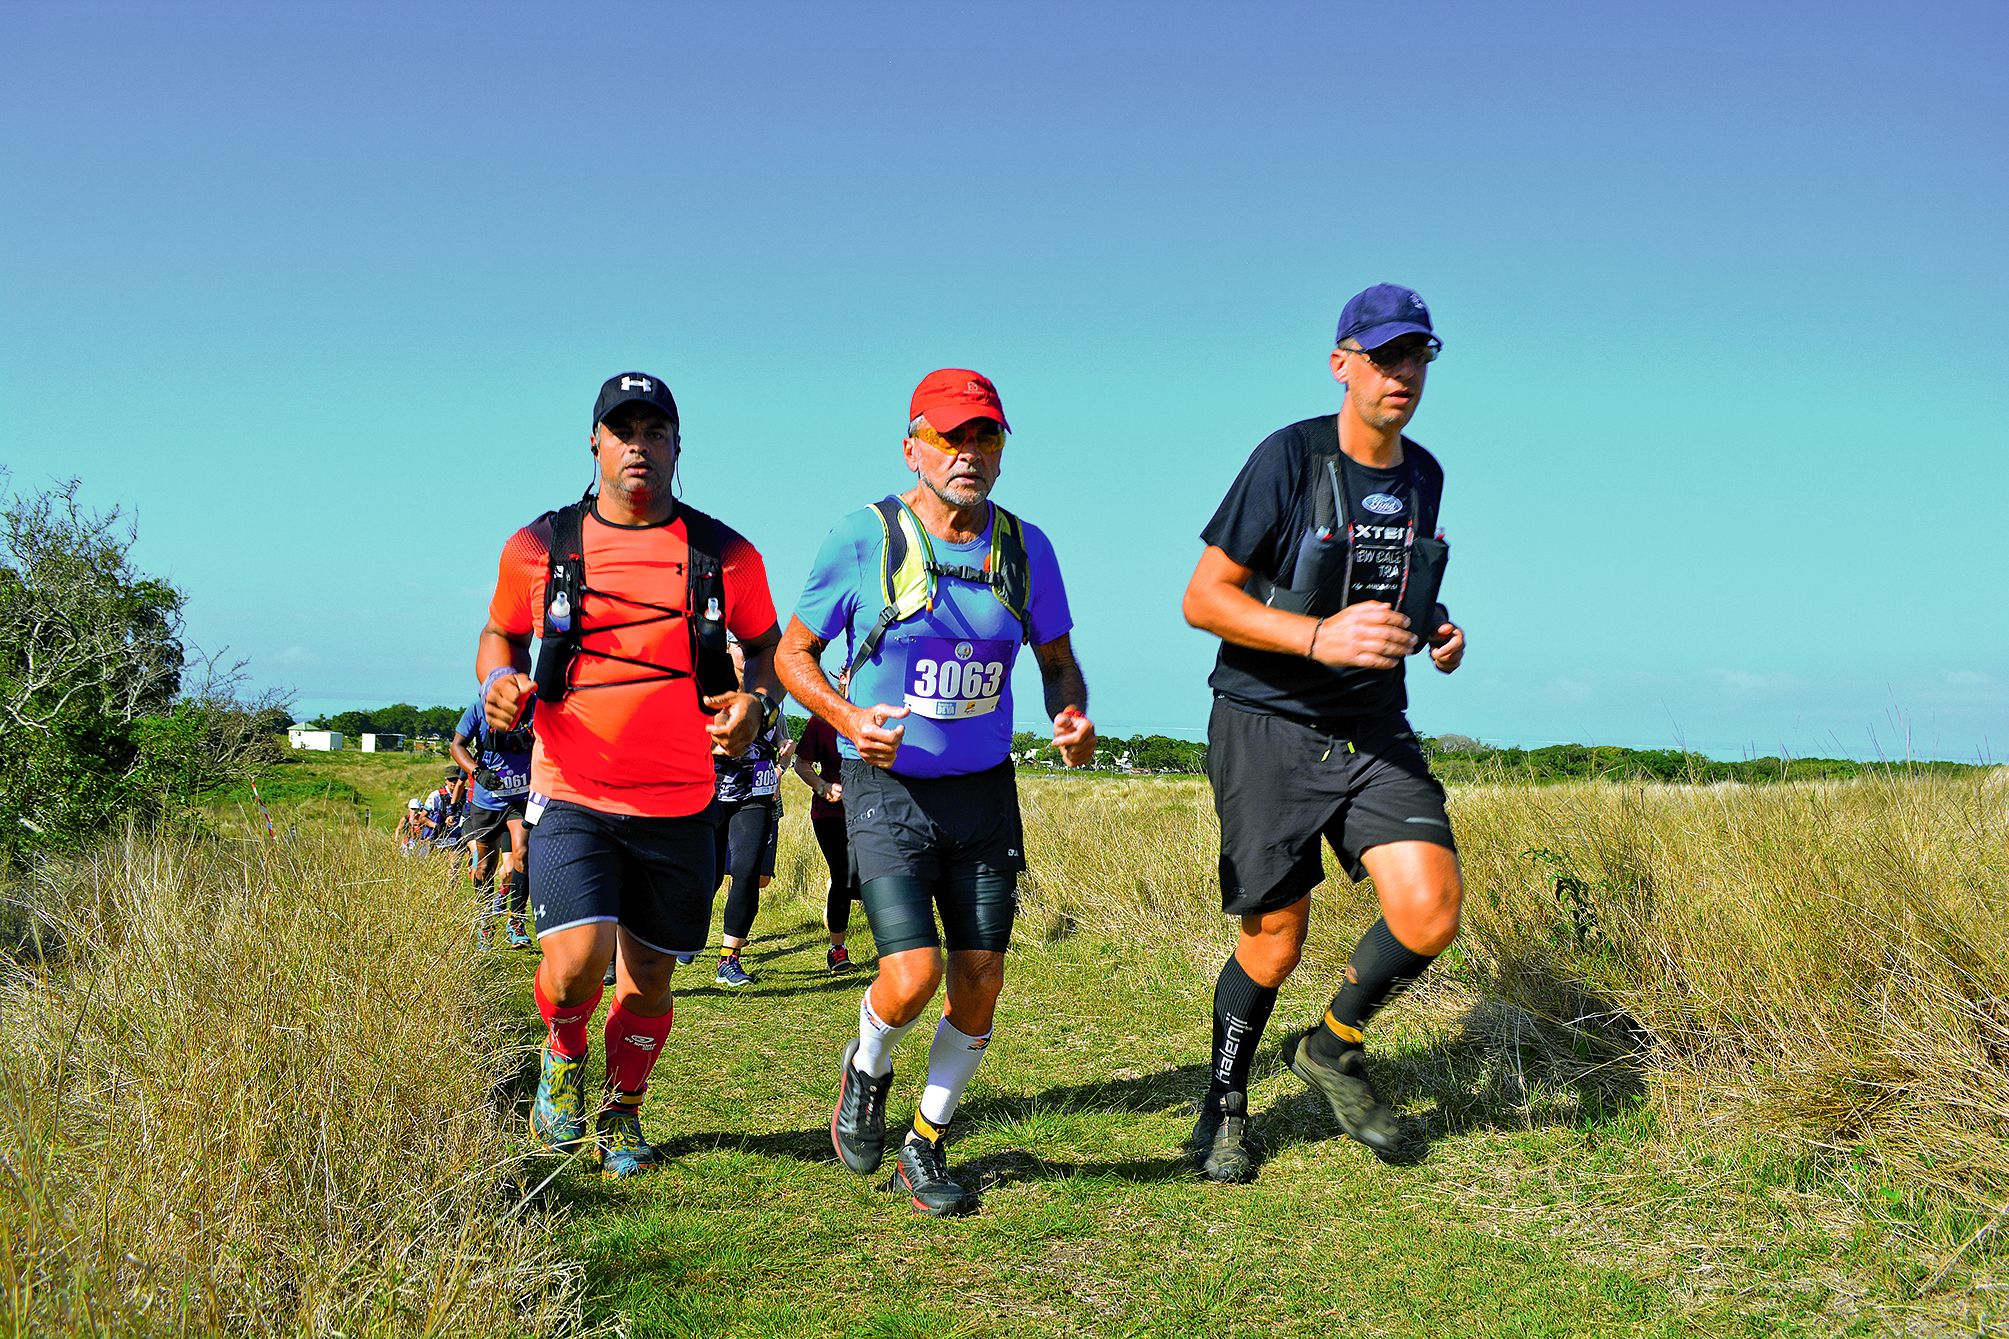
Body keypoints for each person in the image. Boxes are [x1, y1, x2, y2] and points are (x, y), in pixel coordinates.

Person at [777, 368, 1096, 1216]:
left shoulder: (1025, 549)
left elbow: (1056, 659)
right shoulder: (861, 538)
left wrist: (1071, 715)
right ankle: (868, 1064)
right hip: (884, 786)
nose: (969, 453)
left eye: (985, 436)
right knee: (911, 974)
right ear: (911, 445)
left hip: (983, 793)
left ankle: (926, 1139)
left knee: (981, 978)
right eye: (952, 436)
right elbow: (791, 654)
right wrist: (847, 714)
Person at [1179, 284, 1468, 1182]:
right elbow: (1203, 598)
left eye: (1415, 357)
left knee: (1430, 908)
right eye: (1384, 357)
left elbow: (1383, 583)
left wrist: (1440, 626)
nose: (1401, 374)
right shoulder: (1288, 458)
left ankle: (1333, 1046)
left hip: (1371, 722)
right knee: (1274, 939)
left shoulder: (1423, 473)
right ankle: (1222, 1106)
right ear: (1342, 363)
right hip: (1266, 720)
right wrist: (1312, 636)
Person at [478, 371, 781, 1178]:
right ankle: (562, 1056)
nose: (637, 446)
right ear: (594, 441)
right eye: (623, 430)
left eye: (654, 432)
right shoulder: (539, 545)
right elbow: (499, 633)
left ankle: (620, 1111)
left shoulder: (726, 553)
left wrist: (755, 700)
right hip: (572, 791)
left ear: (677, 447)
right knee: (575, 965)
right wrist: (494, 683)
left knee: (646, 981)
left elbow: (769, 648)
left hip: (683, 803)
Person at [707, 637, 787, 987]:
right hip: (708, 791)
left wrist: (782, 753)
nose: (748, 652)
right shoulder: (708, 695)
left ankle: (729, 958)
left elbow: (780, 742)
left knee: (747, 868)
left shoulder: (769, 703)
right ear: (727, 652)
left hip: (756, 790)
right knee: (705, 874)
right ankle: (688, 935)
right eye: (739, 645)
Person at [452, 692, 537, 949]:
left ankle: (516, 921)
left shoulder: (535, 705)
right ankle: (485, 922)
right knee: (484, 867)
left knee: (522, 854)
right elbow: (457, 746)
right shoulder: (478, 708)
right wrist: (477, 772)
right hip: (487, 800)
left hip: (521, 799)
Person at [792, 701, 860, 972]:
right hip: (830, 812)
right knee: (843, 874)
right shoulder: (822, 720)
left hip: (870, 813)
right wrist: (822, 786)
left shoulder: (879, 714)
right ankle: (837, 950)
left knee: (865, 881)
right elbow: (802, 764)